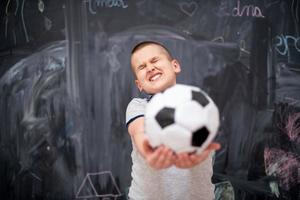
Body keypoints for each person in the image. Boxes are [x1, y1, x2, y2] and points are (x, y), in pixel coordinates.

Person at [125, 41, 221, 200]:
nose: (150, 68)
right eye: (142, 67)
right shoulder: (138, 107)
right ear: (139, 84)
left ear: (175, 66)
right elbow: (140, 132)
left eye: (155, 60)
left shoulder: (200, 103)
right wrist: (150, 151)